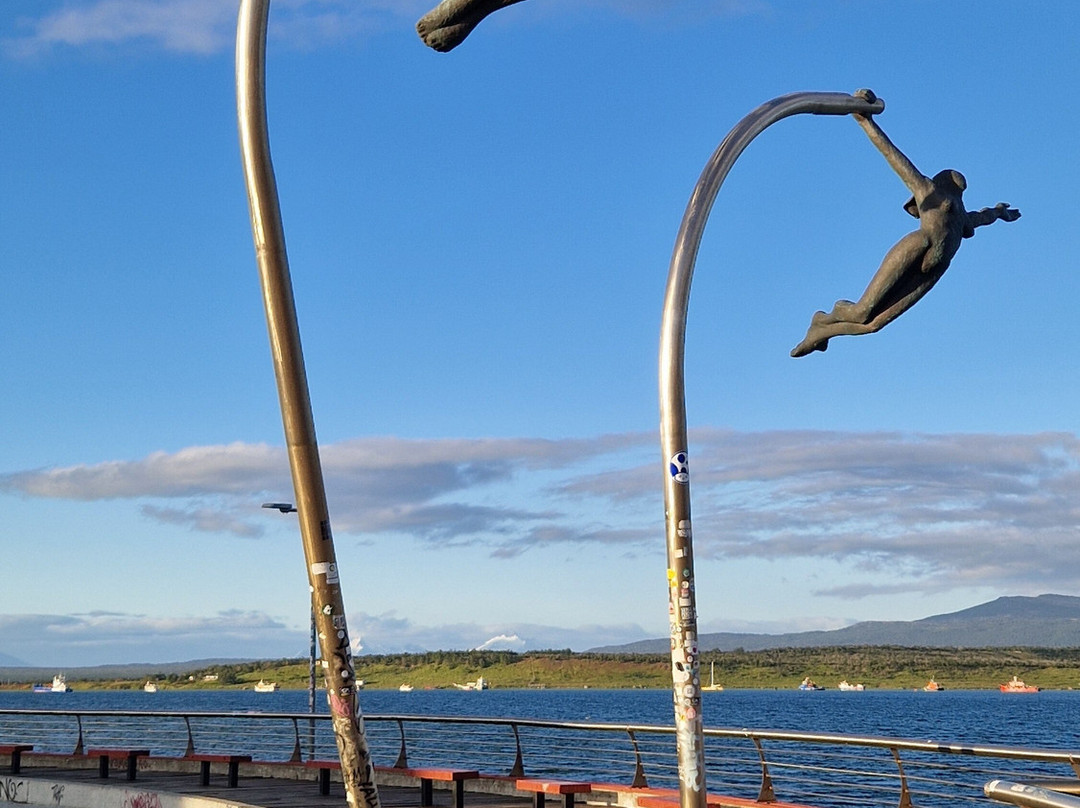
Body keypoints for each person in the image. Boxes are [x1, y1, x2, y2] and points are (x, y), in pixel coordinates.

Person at [791, 90, 1020, 358]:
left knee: (873, 325)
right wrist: (866, 121)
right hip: (919, 246)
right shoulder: (930, 192)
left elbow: (984, 216)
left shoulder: (963, 217)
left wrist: (1000, 212)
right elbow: (894, 157)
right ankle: (827, 316)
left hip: (934, 269)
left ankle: (820, 333)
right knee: (862, 312)